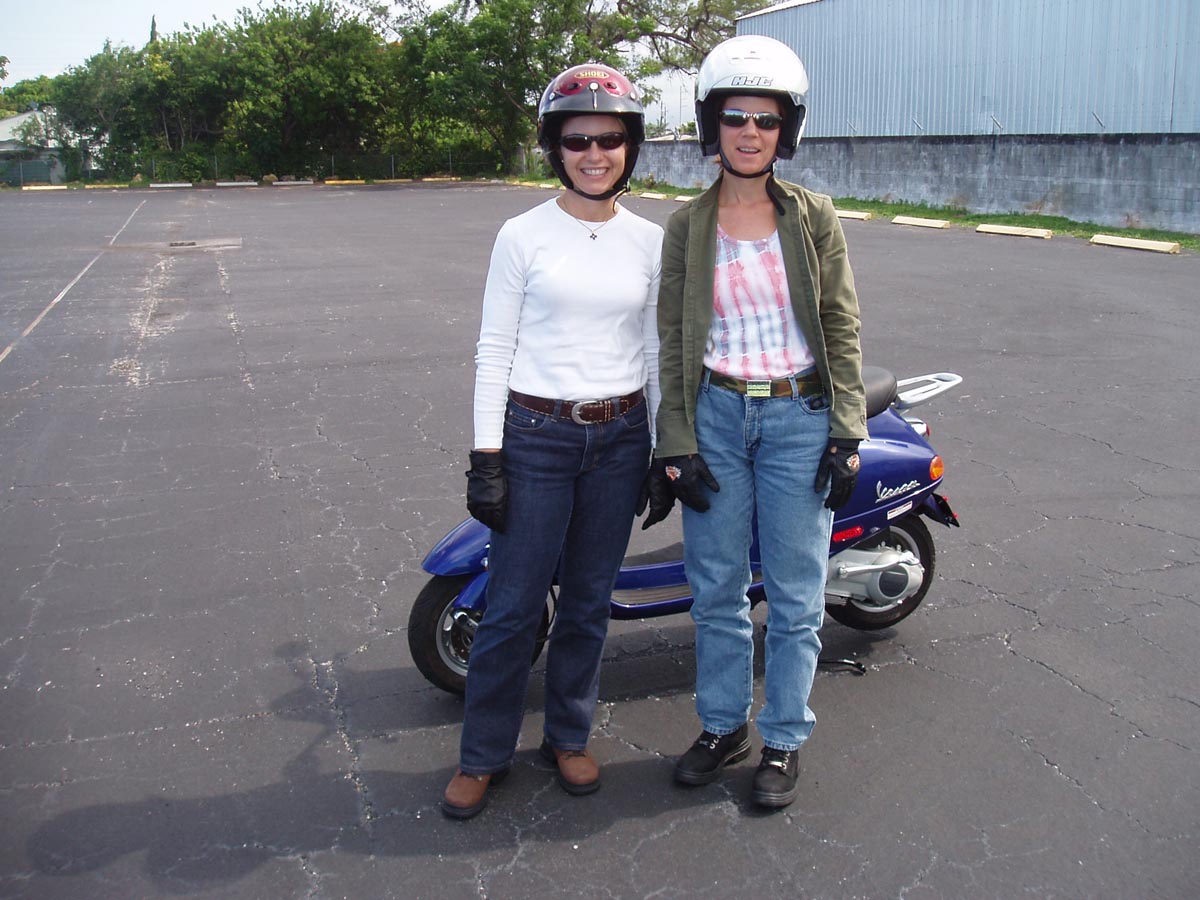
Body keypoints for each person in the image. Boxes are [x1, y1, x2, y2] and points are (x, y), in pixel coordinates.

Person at [649, 35, 867, 809]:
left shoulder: (813, 218)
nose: (750, 132)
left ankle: (782, 738)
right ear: (712, 125)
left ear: (786, 130)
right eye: (736, 117)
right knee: (716, 587)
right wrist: (675, 441)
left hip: (798, 418)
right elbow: (674, 338)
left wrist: (846, 431)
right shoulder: (687, 225)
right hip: (715, 414)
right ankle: (722, 726)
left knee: (797, 593)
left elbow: (839, 323)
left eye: (766, 120)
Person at [441, 63, 663, 819]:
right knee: (512, 605)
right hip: (535, 437)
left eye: (610, 139)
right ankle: (482, 754)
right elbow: (494, 350)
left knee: (589, 603)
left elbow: (655, 350)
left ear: (630, 147)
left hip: (621, 438)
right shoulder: (523, 234)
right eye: (577, 140)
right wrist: (486, 458)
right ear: (555, 148)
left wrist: (661, 448)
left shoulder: (649, 240)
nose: (594, 153)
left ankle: (567, 737)